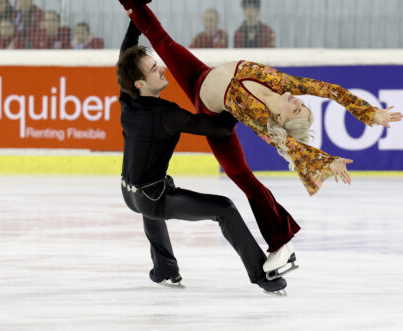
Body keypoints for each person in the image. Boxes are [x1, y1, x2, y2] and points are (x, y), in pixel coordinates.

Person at [90, 0, 403, 278]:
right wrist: (370, 114)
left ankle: (281, 245)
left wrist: (326, 162)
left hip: (212, 117)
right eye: (301, 104)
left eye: (295, 110)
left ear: (281, 121)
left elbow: (287, 146)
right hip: (200, 76)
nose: (297, 101)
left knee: (246, 181)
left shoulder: (257, 114)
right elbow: (328, 89)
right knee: (161, 38)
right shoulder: (282, 83)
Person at [115, 15, 287, 294]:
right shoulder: (166, 115)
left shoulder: (127, 99)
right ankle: (261, 276)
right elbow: (218, 129)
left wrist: (136, 19)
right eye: (152, 69)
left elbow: (126, 51)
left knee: (159, 188)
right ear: (140, 84)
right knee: (224, 208)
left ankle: (164, 269)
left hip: (128, 193)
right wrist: (235, 101)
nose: (161, 68)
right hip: (151, 199)